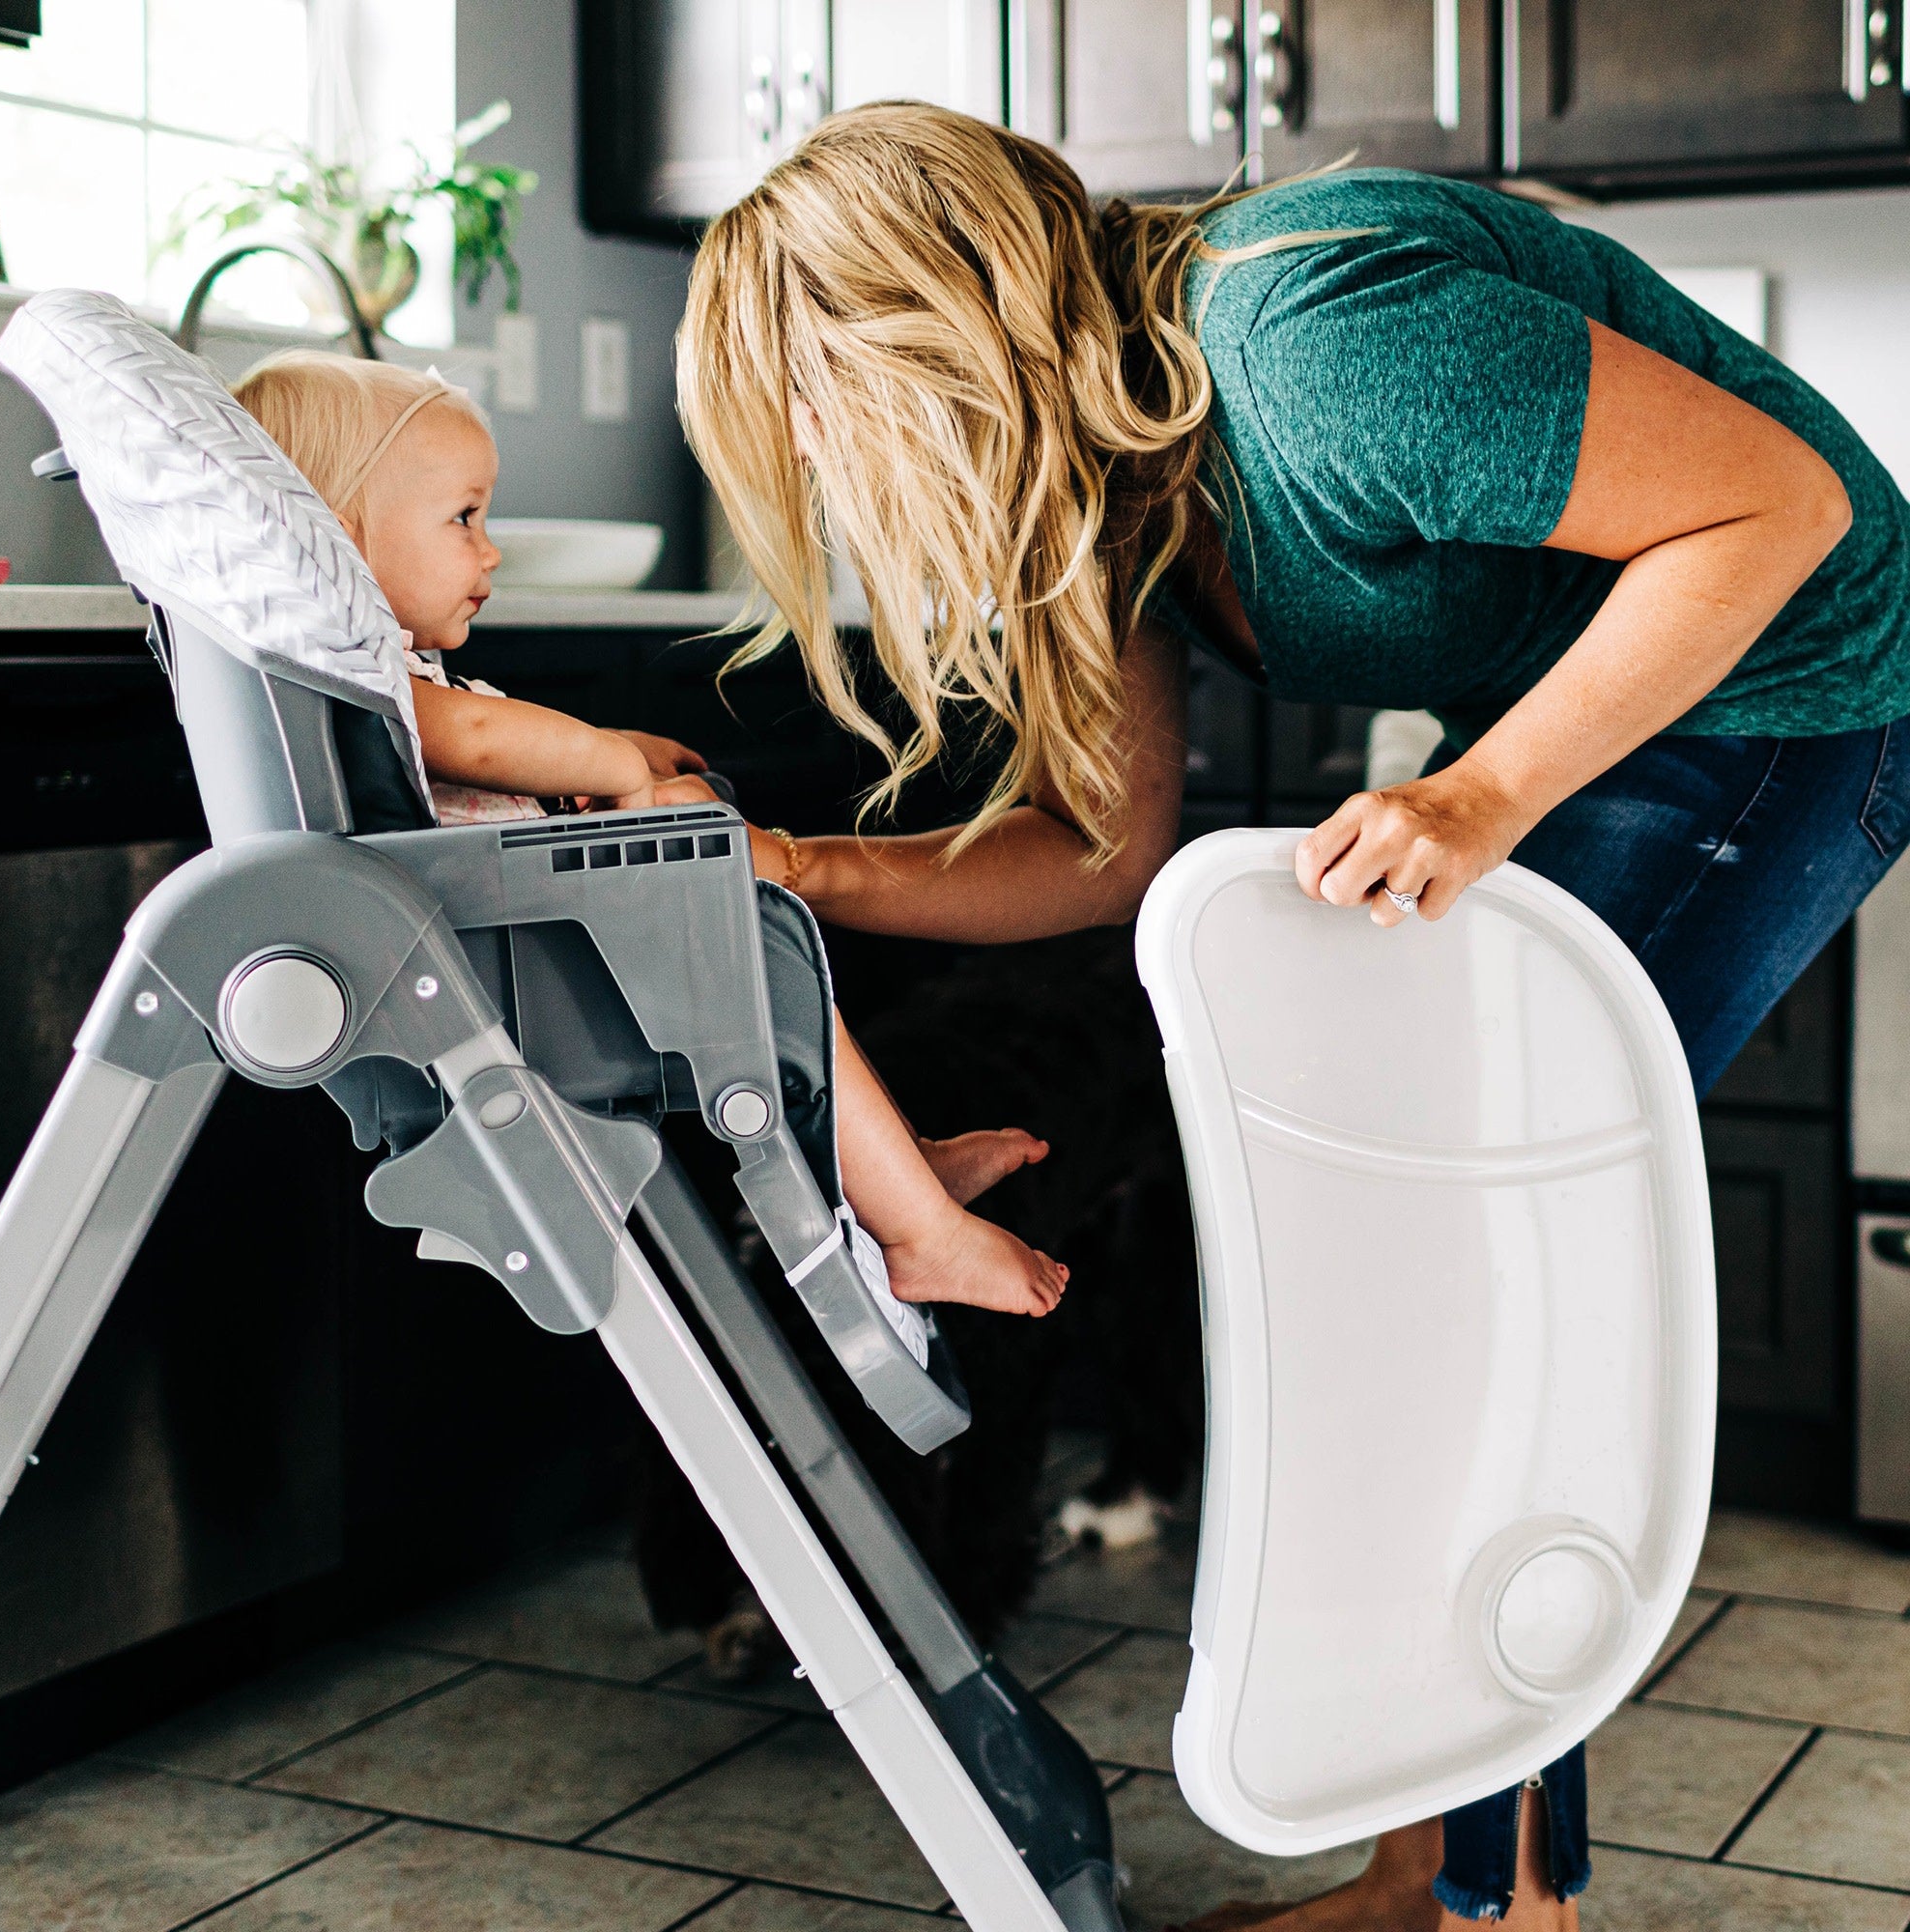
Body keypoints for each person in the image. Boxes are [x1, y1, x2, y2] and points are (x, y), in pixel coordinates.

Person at [674, 103, 1910, 1930]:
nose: (814, 468)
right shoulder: (1109, 483)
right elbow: (1101, 852)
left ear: (921, 328)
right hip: (1650, 701)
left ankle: (1496, 1906)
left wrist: (1480, 798)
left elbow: (1776, 512)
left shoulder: (1312, 343)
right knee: (1423, 1279)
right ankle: (1443, 1875)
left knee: (1485, 1273)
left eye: (807, 406)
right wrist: (798, 864)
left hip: (1795, 690)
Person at [229, 350, 1069, 1330]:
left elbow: (500, 744)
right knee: (747, 937)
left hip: (529, 944)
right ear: (341, 528)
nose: (488, 550)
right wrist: (620, 771)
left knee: (771, 963)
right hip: (522, 974)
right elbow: (488, 739)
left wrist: (616, 753)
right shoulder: (381, 685)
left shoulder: (392, 678)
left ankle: (898, 1172)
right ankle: (917, 1224)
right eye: (462, 519)